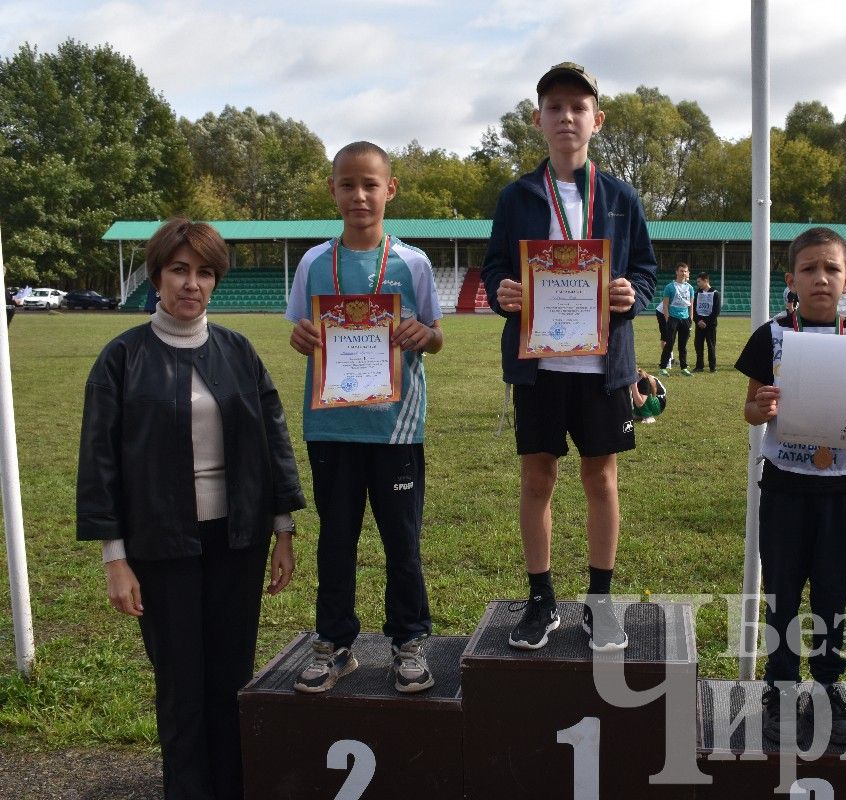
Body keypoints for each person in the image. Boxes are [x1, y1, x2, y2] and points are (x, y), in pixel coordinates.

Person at [77, 218, 305, 800]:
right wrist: (114, 558)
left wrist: (282, 530)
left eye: (204, 272)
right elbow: (99, 461)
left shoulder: (238, 352)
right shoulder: (121, 358)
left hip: (238, 540)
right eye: (179, 269)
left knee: (231, 676)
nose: (192, 283)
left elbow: (272, 440)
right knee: (181, 682)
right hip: (160, 544)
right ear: (156, 275)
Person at [481, 63, 657, 652]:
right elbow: (496, 267)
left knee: (600, 478)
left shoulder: (622, 197)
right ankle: (540, 600)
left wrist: (633, 295)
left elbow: (648, 274)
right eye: (554, 107)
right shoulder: (517, 196)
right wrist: (504, 291)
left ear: (597, 121)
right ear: (538, 120)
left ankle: (600, 602)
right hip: (539, 365)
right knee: (538, 478)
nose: (566, 117)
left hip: (603, 365)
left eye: (578, 107)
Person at [286, 141, 444, 693]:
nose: (359, 195)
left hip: (395, 427)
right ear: (332, 190)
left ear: (390, 190)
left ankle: (408, 640)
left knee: (402, 540)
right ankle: (335, 643)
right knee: (336, 538)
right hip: (331, 427)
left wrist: (426, 334)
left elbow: (434, 334)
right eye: (348, 184)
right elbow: (300, 332)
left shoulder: (413, 263)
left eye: (370, 184)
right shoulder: (313, 263)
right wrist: (302, 336)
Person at [734, 226, 846, 745]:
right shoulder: (772, 335)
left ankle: (826, 684)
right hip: (784, 487)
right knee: (782, 594)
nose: (821, 279)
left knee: (832, 596)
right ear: (792, 279)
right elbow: (751, 408)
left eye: (831, 269)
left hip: (843, 491)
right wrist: (759, 408)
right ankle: (780, 687)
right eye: (809, 269)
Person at [659, 262, 693, 376]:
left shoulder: (690, 288)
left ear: (687, 273)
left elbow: (691, 305)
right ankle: (663, 368)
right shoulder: (669, 287)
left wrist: (690, 319)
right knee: (669, 344)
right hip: (673, 318)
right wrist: (668, 319)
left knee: (683, 346)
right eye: (681, 271)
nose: (683, 273)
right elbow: (665, 305)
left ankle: (684, 368)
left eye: (685, 271)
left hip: (685, 319)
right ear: (676, 272)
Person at [692, 270, 721, 371]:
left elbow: (716, 311)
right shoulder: (697, 293)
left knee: (711, 345)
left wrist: (706, 322)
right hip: (699, 323)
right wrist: (698, 321)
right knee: (698, 345)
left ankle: (712, 367)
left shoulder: (715, 293)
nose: (698, 284)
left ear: (706, 280)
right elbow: (693, 309)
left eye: (699, 281)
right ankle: (699, 366)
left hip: (710, 325)